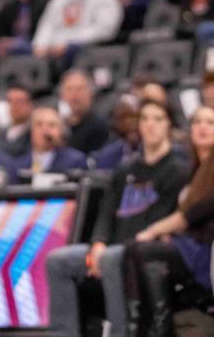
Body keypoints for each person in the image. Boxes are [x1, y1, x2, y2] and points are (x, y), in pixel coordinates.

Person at [46, 98, 187, 337]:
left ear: (168, 126)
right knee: (58, 260)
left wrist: (109, 251)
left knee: (112, 258)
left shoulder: (178, 170)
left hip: (139, 249)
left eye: (158, 119)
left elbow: (164, 217)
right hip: (111, 247)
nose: (150, 125)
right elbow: (106, 212)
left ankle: (120, 332)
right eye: (145, 119)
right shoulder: (125, 169)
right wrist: (98, 243)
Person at [124, 104, 214, 337]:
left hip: (205, 248)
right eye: (197, 122)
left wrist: (154, 231)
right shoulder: (193, 168)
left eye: (210, 123)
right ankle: (148, 327)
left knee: (140, 249)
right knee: (148, 262)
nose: (202, 127)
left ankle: (146, 328)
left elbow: (192, 215)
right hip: (188, 242)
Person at [60, 69, 111, 156]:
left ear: (91, 93)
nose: (74, 95)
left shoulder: (99, 127)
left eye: (79, 89)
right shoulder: (58, 124)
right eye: (69, 89)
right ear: (62, 94)